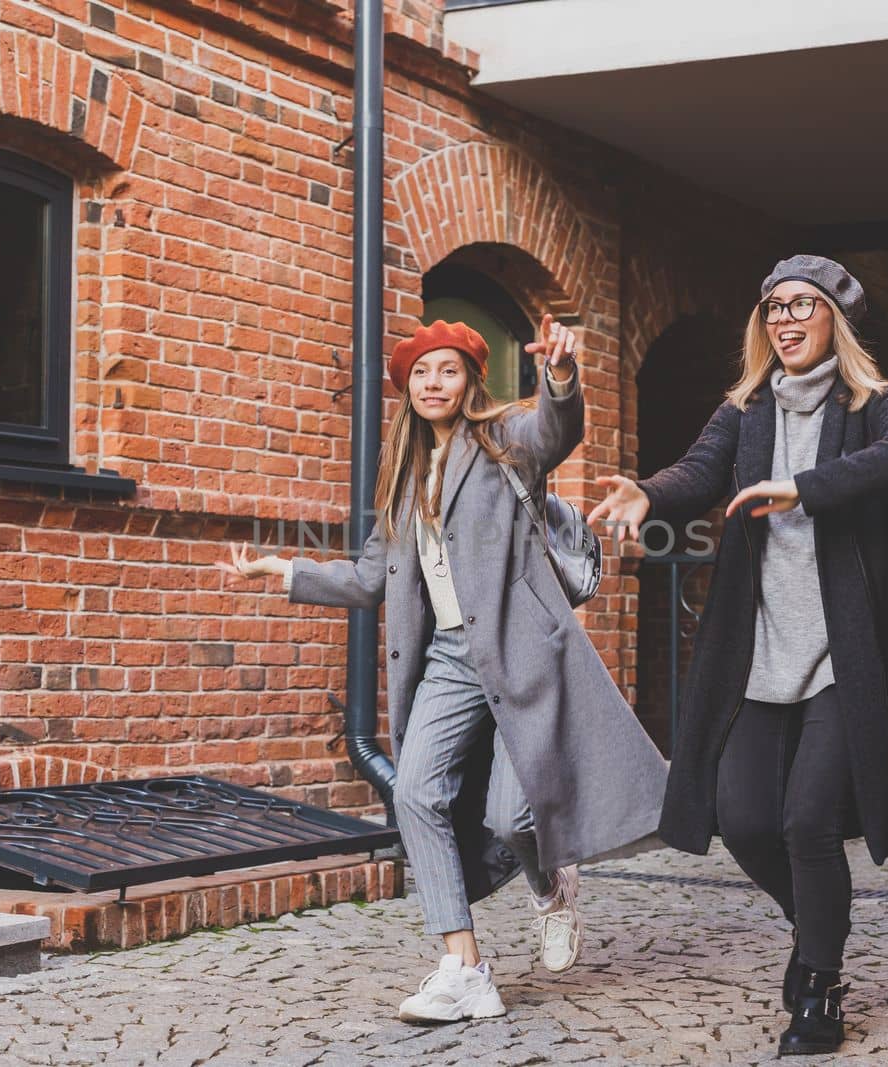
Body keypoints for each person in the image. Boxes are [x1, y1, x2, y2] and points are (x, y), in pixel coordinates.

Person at [221, 315, 668, 1024]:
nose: (435, 382)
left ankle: (552, 886)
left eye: (449, 370)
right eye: (422, 372)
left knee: (511, 815)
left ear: (469, 381)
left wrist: (559, 375)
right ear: (407, 387)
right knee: (416, 791)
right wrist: (288, 570)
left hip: (520, 651)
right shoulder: (402, 474)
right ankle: (464, 965)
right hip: (449, 659)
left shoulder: (504, 441)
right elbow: (373, 577)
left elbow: (558, 432)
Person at [590, 255, 888, 1056]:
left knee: (806, 819)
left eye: (802, 305)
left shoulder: (875, 403)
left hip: (840, 654)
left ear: (835, 319)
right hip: (757, 651)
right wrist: (649, 492)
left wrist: (806, 486)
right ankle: (818, 926)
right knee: (746, 817)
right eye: (773, 307)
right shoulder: (746, 409)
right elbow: (698, 471)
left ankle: (818, 989)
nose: (785, 319)